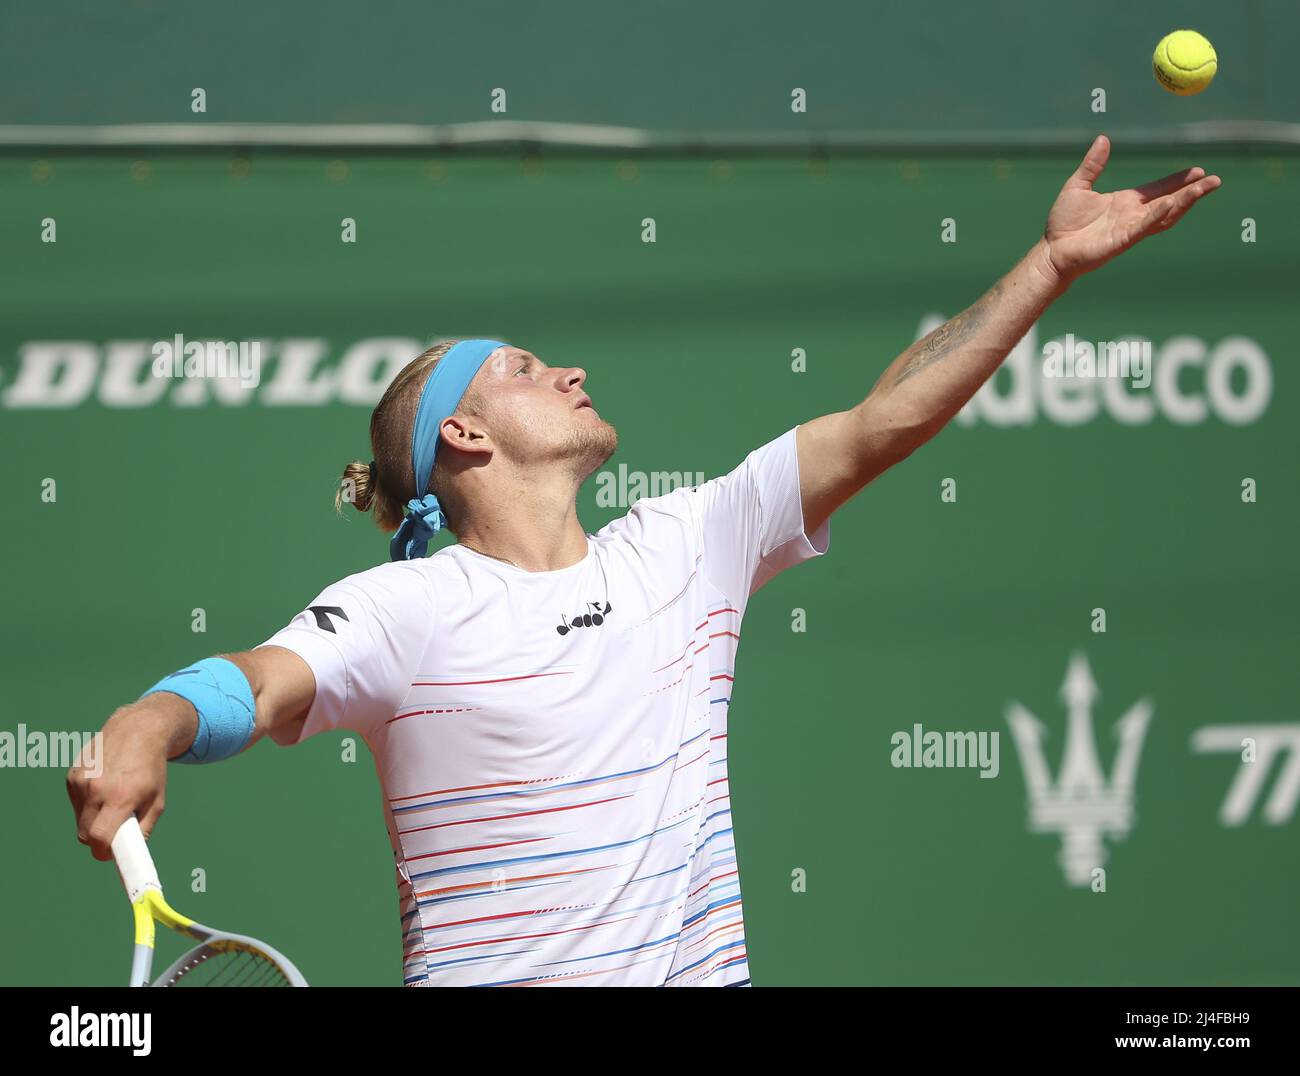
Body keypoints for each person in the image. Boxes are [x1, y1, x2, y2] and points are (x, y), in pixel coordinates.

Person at [67, 136, 1220, 986]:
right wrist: (147, 721)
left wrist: (1051, 266)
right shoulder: (407, 607)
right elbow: (259, 679)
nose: (567, 372)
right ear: (463, 437)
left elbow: (884, 421)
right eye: (522, 367)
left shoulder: (684, 544)